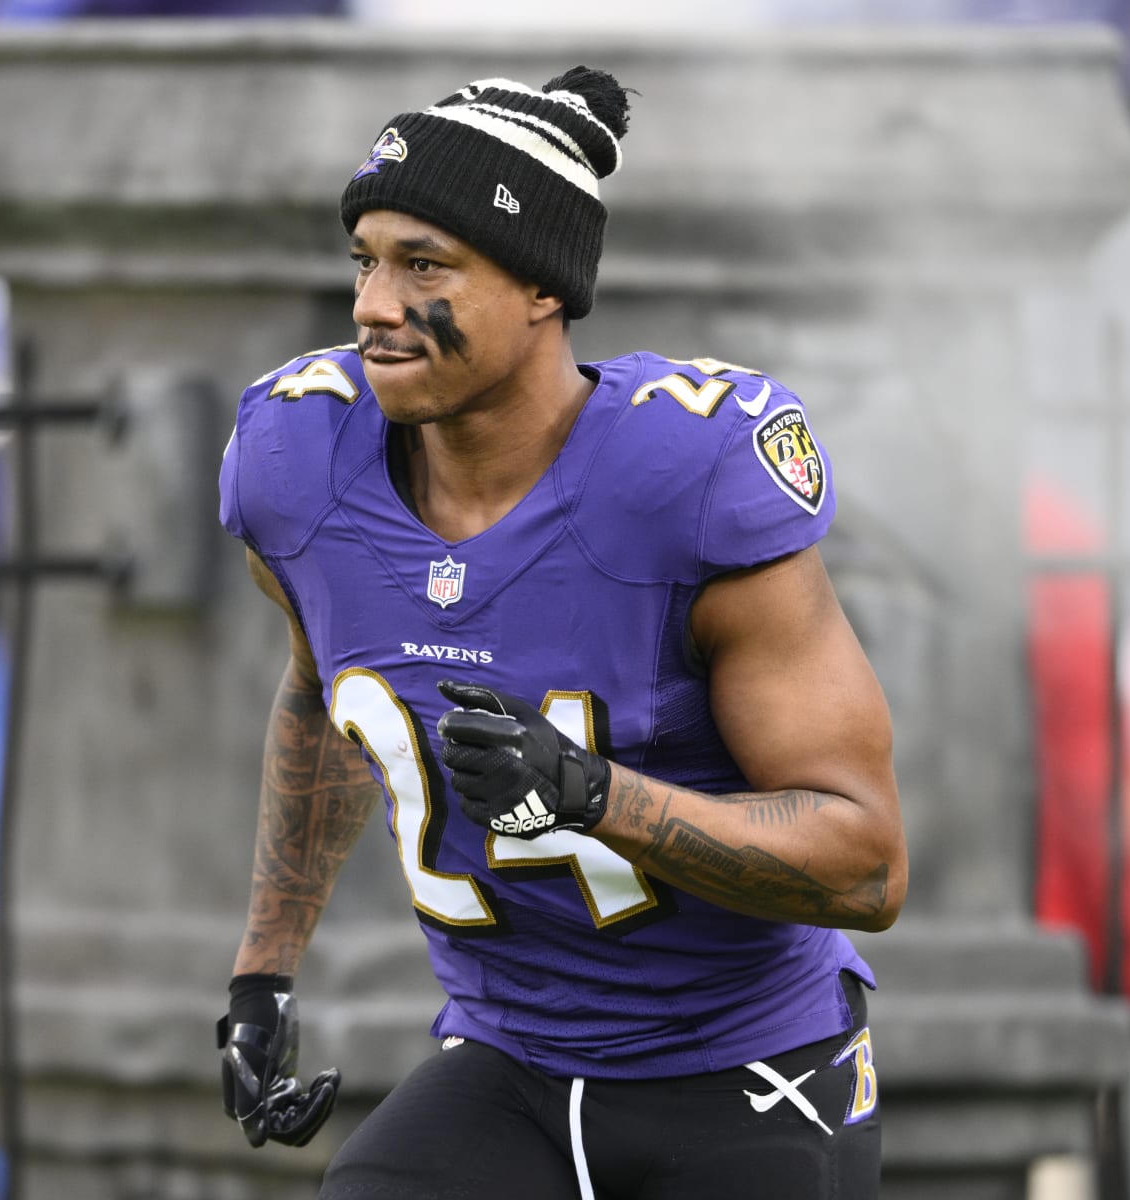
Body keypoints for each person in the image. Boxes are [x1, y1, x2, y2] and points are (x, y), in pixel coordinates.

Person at [215, 66, 906, 1199]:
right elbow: (324, 699)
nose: (372, 304)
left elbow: (867, 861)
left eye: (423, 265)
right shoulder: (300, 463)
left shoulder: (681, 479)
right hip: (509, 1060)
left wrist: (596, 797)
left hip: (743, 1069)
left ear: (542, 286)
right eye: (365, 260)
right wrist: (263, 973)